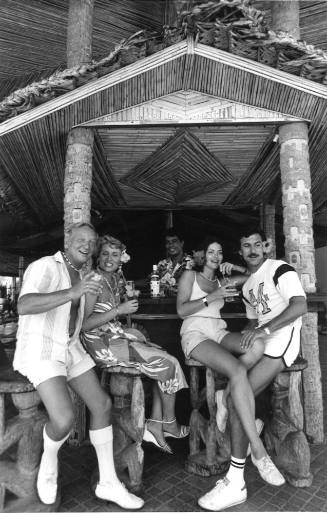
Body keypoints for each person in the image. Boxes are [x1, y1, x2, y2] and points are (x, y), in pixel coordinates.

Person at [13, 222, 144, 510]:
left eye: (92, 240)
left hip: (69, 348)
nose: (87, 244)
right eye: (81, 238)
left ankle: (108, 482)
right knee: (63, 419)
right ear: (68, 239)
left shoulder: (84, 274)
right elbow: (24, 305)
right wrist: (73, 293)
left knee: (103, 405)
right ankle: (49, 464)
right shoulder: (46, 266)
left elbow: (80, 322)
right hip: (42, 349)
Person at [196, 229, 307, 511]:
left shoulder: (280, 269)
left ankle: (236, 481)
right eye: (247, 246)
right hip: (263, 338)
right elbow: (252, 321)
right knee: (237, 393)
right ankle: (247, 448)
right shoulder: (247, 286)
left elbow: (300, 305)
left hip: (282, 342)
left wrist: (264, 330)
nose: (253, 250)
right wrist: (250, 333)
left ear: (264, 248)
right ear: (241, 251)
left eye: (257, 245)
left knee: (235, 399)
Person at [177, 234, 287, 508]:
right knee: (238, 369)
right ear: (201, 255)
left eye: (219, 252)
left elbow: (251, 277)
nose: (215, 256)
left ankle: (226, 396)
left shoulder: (222, 280)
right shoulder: (189, 276)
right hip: (195, 332)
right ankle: (258, 449)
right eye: (211, 252)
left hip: (218, 331)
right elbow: (181, 310)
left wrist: (235, 270)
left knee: (258, 343)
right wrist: (210, 298)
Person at [81, 234, 189, 455]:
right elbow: (84, 324)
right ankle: (168, 423)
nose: (110, 259)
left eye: (115, 254)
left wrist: (124, 318)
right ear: (98, 256)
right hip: (101, 344)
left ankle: (157, 423)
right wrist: (119, 310)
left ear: (121, 258)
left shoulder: (112, 278)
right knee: (168, 363)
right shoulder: (94, 280)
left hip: (113, 337)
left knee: (162, 355)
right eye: (105, 254)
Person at [155, 228, 193, 294]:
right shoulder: (162, 264)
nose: (170, 245)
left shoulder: (191, 263)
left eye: (174, 241)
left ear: (182, 243)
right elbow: (149, 280)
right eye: (168, 242)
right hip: (163, 303)